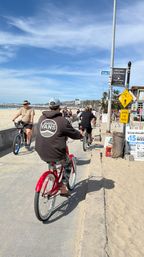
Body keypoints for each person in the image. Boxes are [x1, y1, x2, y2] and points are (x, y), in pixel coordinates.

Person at [35, 98, 82, 197]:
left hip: (40, 151)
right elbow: (73, 133)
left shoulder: (41, 118)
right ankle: (63, 188)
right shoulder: (62, 121)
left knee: (51, 159)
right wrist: (80, 135)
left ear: (49, 107)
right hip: (56, 152)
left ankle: (52, 176)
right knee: (68, 163)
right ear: (59, 107)